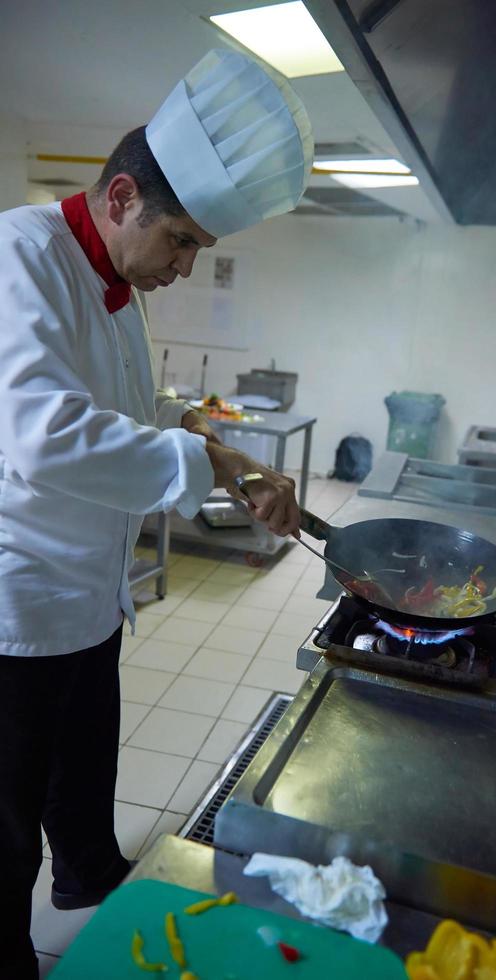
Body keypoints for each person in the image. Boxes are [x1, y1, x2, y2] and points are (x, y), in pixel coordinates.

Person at [0, 46, 313, 979]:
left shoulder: (123, 287)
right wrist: (206, 456)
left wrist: (216, 445)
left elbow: (130, 410)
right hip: (17, 604)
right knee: (9, 815)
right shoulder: (18, 259)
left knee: (84, 772)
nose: (183, 268)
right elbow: (45, 434)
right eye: (182, 243)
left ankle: (88, 875)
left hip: (90, 593)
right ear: (124, 197)